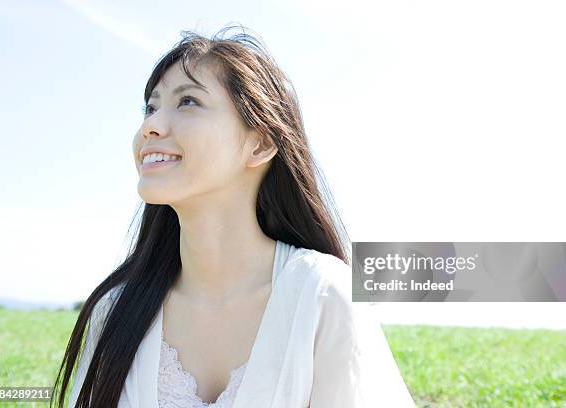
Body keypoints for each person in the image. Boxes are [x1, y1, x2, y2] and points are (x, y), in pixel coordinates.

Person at [52, 25, 416, 408]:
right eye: (151, 107)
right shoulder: (116, 310)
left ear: (259, 144)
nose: (149, 127)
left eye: (188, 101)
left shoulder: (322, 296)